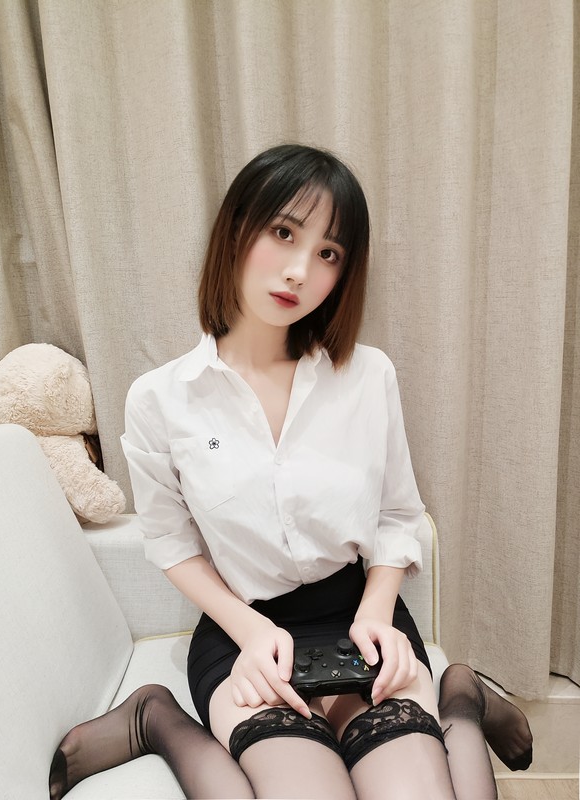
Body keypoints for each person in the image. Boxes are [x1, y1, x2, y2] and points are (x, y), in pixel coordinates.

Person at [49, 144, 532, 800]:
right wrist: (251, 631)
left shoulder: (368, 376)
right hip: (244, 629)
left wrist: (378, 611)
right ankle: (156, 715)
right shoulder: (161, 399)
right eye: (283, 233)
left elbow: (396, 515)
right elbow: (172, 544)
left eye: (328, 253)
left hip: (359, 619)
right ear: (236, 229)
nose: (300, 271)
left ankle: (460, 698)